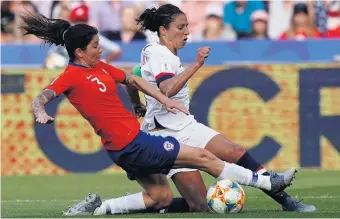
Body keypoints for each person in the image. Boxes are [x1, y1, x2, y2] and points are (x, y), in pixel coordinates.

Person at [20, 11, 296, 217]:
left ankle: (97, 209)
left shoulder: (100, 67)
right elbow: (42, 96)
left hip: (126, 146)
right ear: (79, 52)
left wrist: (158, 100)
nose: (101, 49)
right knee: (204, 157)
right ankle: (267, 181)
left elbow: (133, 79)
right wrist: (40, 110)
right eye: (95, 46)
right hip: (133, 144)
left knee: (161, 197)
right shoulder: (70, 76)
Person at [96, 4, 315, 215]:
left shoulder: (158, 52)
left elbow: (132, 77)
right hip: (165, 133)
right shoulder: (158, 54)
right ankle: (143, 206)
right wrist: (196, 64)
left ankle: (286, 200)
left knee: (234, 152)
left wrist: (136, 104)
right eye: (180, 28)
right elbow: (167, 89)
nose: (187, 33)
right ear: (163, 30)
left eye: (187, 27)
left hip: (184, 124)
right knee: (199, 205)